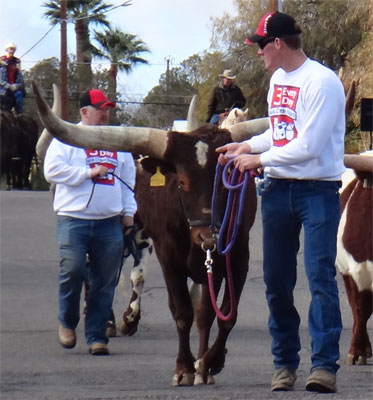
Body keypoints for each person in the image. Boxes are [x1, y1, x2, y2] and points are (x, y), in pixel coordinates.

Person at [217, 12, 345, 394]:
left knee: (320, 276)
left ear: (277, 44)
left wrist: (259, 160)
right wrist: (249, 145)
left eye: (259, 45)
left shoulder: (322, 82)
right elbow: (281, 131)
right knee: (276, 280)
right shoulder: (278, 80)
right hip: (278, 190)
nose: (257, 53)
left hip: (317, 190)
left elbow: (309, 145)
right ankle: (285, 364)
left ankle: (323, 366)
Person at [44, 89, 137, 356]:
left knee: (104, 281)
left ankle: (97, 336)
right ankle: (68, 322)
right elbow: (51, 170)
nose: (105, 113)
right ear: (85, 112)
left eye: (107, 108)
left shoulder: (117, 141)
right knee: (72, 271)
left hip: (109, 221)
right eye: (100, 108)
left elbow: (128, 182)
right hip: (73, 219)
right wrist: (88, 173)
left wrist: (129, 213)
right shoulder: (66, 138)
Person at [0, 44, 25, 113]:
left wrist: (15, 86)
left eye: (13, 49)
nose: (11, 50)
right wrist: (8, 86)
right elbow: (1, 80)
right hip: (3, 90)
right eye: (10, 49)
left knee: (19, 94)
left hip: (14, 90)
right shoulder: (2, 67)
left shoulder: (18, 71)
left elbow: (21, 82)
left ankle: (19, 113)